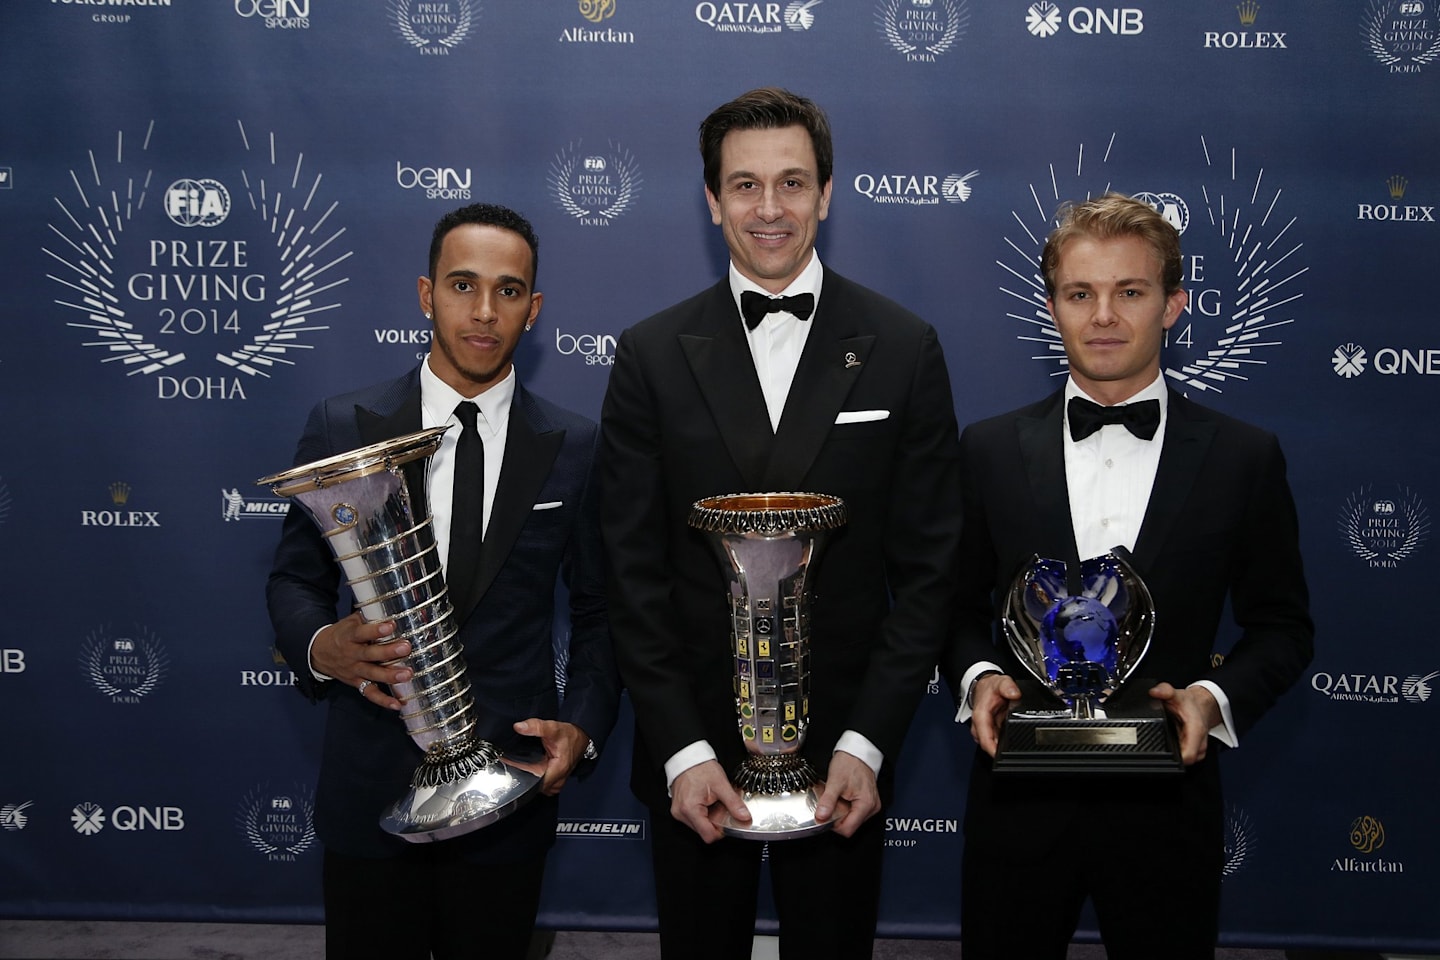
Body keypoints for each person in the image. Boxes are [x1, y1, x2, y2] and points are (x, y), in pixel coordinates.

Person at [599, 87, 963, 960]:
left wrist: (868, 742)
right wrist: (681, 750)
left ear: (828, 194)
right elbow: (630, 569)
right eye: (746, 185)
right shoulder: (649, 353)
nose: (770, 209)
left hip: (844, 755)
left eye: (793, 183)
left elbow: (929, 569)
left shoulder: (904, 345)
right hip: (698, 758)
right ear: (712, 199)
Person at [943, 193, 1314, 959]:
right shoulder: (986, 451)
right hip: (1018, 802)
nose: (1104, 315)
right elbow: (949, 609)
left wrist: (1210, 702)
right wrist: (980, 677)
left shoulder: (1243, 458)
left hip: (1167, 810)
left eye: (1131, 292)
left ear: (1175, 305)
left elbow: (1282, 627)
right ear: (1052, 307)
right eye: (1081, 293)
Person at [266, 202, 620, 960]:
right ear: (426, 295)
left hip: (508, 787)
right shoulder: (341, 424)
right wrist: (322, 644)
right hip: (370, 786)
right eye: (463, 286)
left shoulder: (577, 446)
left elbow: (601, 612)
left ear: (536, 309)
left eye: (509, 290)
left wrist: (582, 726)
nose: (485, 312)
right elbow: (294, 582)